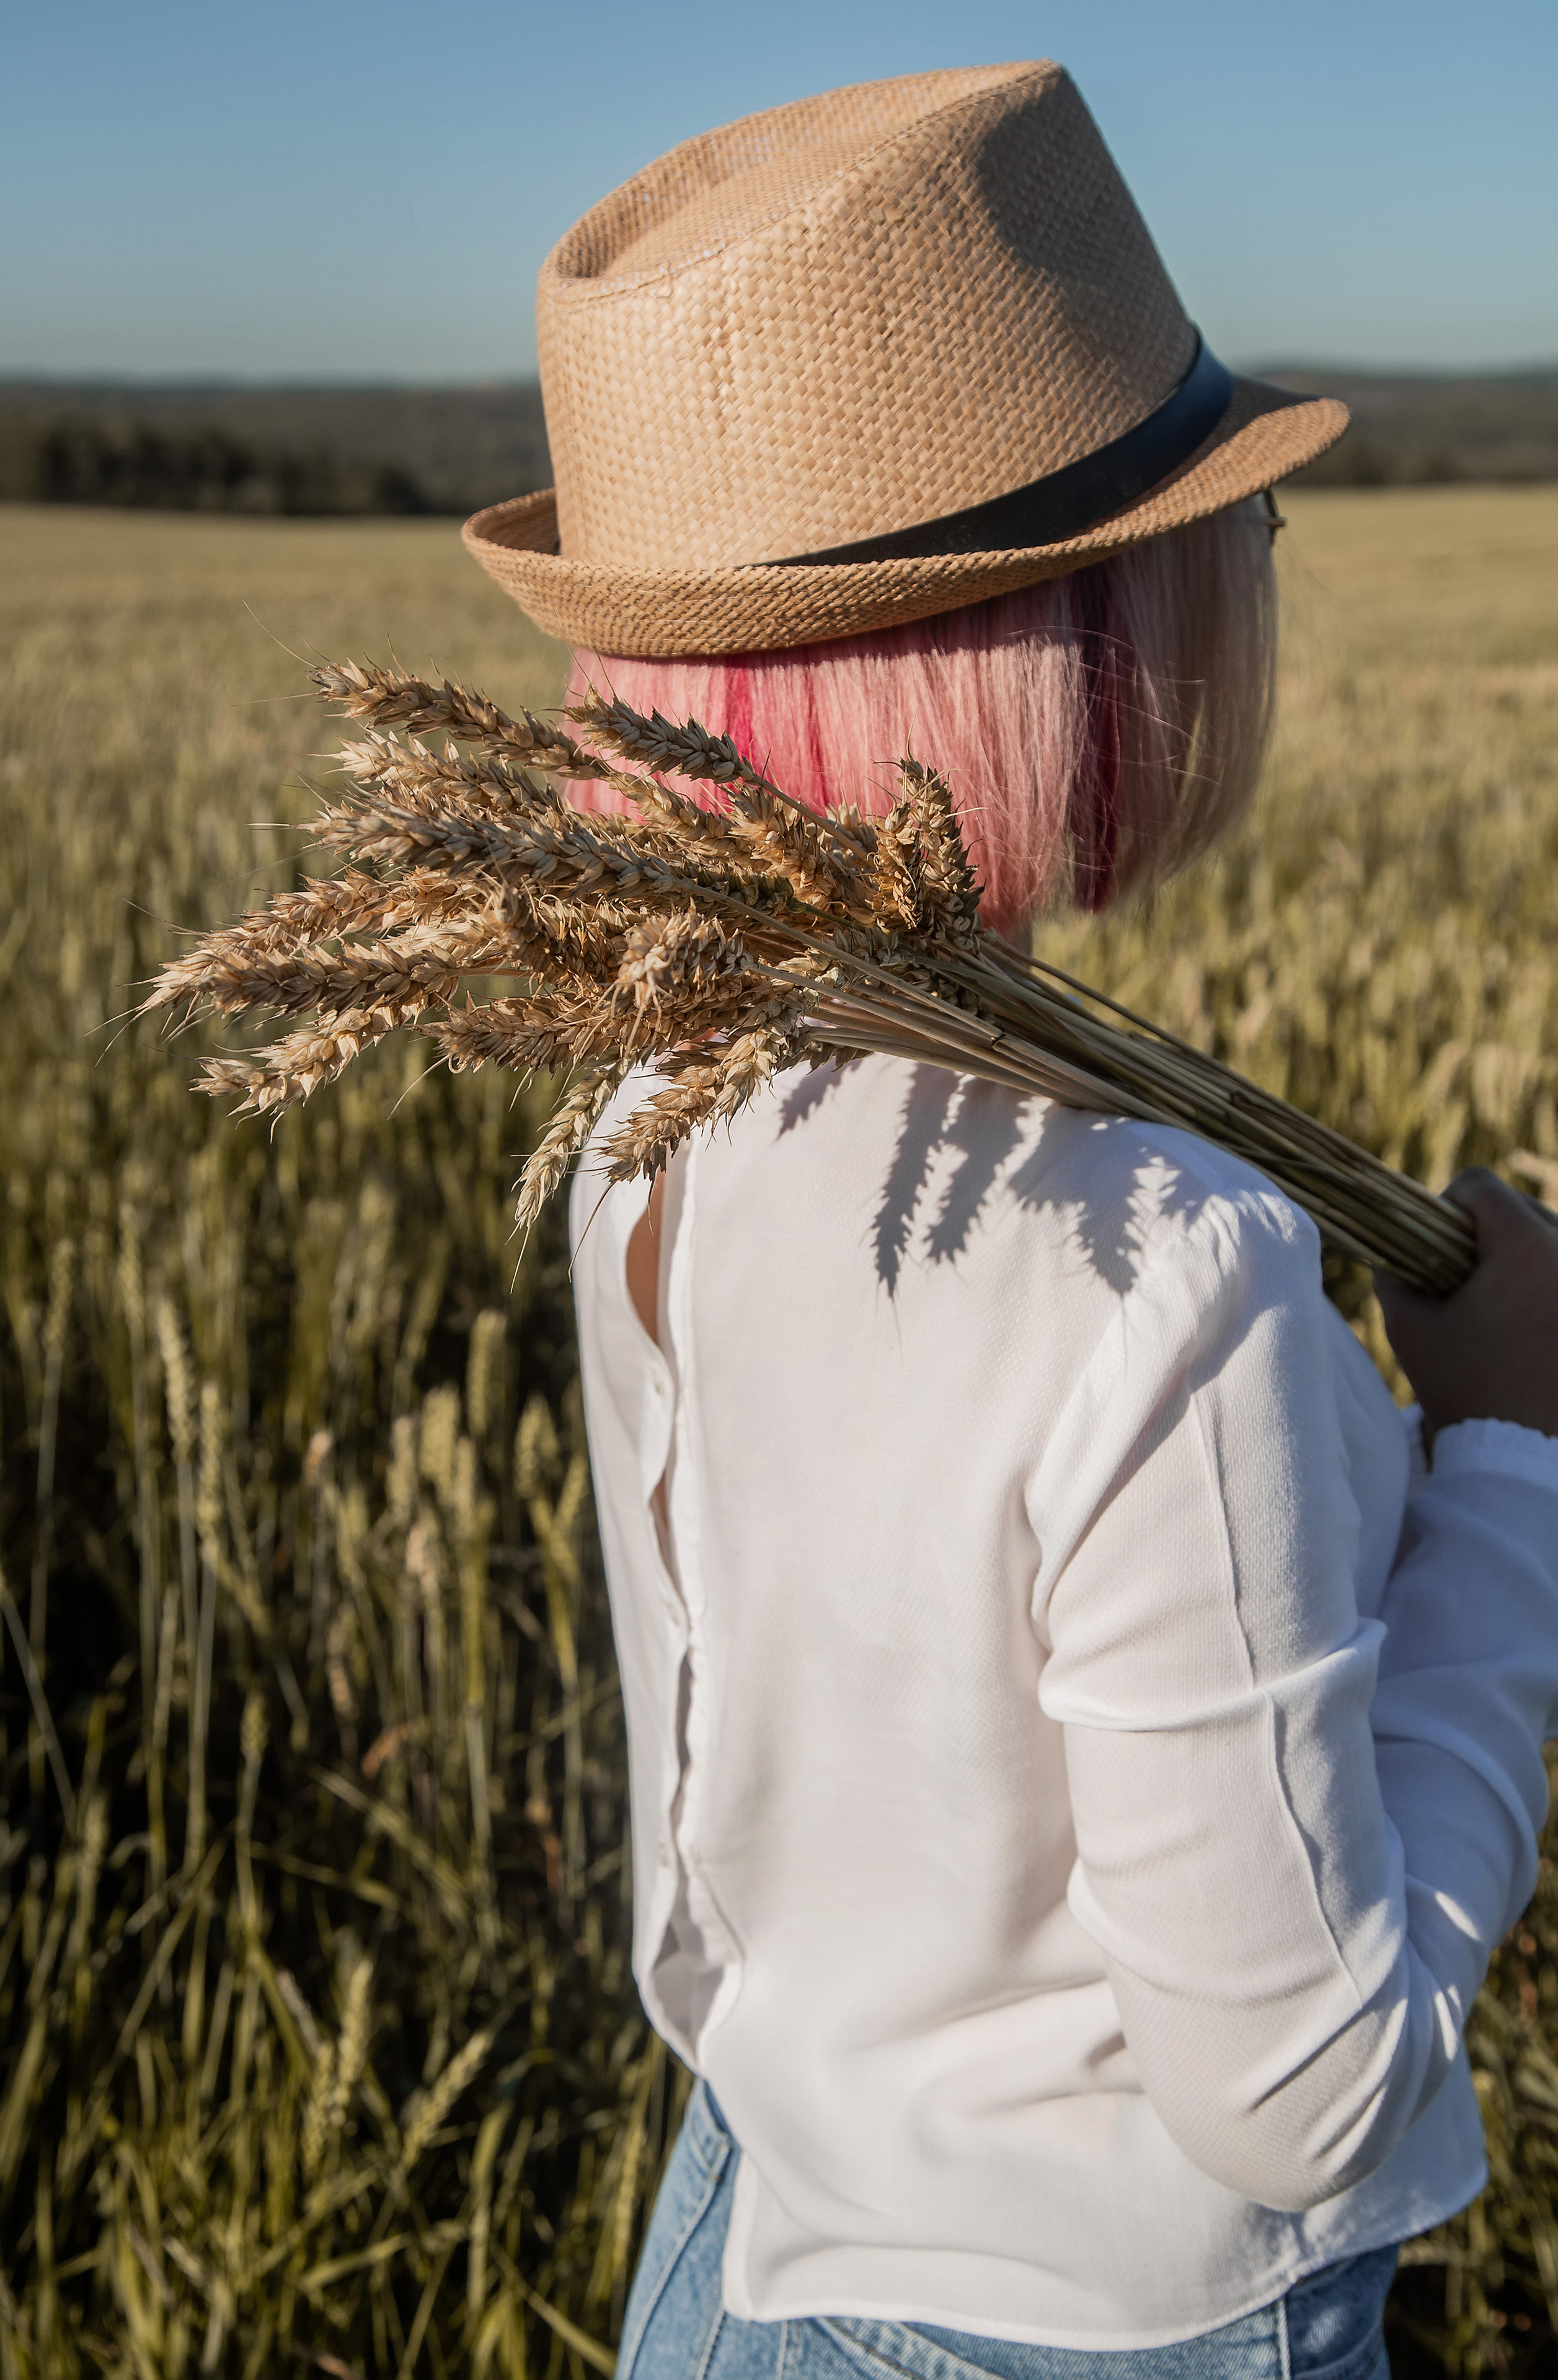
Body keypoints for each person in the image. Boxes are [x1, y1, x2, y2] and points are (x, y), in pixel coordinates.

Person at [464, 64, 1558, 2380]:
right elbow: (1306, 2092)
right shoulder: (1169, 1269)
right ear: (1068, 638)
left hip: (758, 2242)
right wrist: (1517, 1477)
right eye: (1208, 518)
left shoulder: (666, 1109)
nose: (1257, 556)